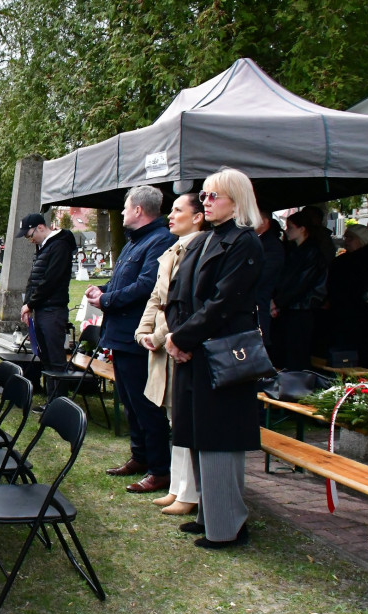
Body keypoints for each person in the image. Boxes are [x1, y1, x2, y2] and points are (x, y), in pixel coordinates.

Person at [165, 167, 263, 549]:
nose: (205, 201)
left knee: (220, 437)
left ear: (236, 201)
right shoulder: (207, 238)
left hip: (221, 352)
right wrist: (177, 336)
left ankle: (227, 527)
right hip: (196, 351)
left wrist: (182, 337)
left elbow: (224, 301)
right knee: (199, 434)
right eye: (203, 195)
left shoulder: (245, 242)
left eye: (213, 196)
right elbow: (181, 293)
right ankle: (212, 515)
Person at [86, 185, 176, 493]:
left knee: (145, 404)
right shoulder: (135, 241)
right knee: (129, 401)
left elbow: (146, 286)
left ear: (138, 210)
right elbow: (121, 279)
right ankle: (140, 456)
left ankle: (160, 469)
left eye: (126, 207)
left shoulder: (160, 240)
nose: (122, 212)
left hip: (139, 336)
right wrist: (103, 291)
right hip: (121, 334)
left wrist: (107, 301)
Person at [135, 193, 205, 516]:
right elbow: (155, 298)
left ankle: (189, 492)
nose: (170, 215)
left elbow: (183, 303)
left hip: (179, 344)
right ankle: (177, 487)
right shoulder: (171, 251)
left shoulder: (200, 249)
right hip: (162, 345)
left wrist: (160, 335)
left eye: (179, 210)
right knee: (170, 417)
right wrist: (142, 331)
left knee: (184, 421)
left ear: (198, 217)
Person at [18, 213, 77, 402]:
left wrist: (30, 303)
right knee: (46, 358)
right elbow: (33, 279)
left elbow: (50, 281)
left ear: (40, 227)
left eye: (29, 235)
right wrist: (27, 305)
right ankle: (51, 400)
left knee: (56, 359)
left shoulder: (60, 246)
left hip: (53, 310)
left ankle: (59, 402)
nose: (30, 240)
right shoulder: (44, 247)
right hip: (42, 309)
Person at [270, 210, 328, 371]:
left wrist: (278, 301)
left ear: (302, 229)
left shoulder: (312, 252)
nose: (287, 231)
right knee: (285, 350)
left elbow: (300, 284)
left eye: (290, 227)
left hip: (302, 308)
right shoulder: (292, 250)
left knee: (297, 352)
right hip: (289, 307)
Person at [326, 224, 368, 365]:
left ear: (362, 239)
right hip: (340, 310)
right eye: (346, 237)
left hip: (361, 312)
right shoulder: (341, 260)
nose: (346, 241)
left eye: (350, 238)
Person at [254, 211, 285, 345]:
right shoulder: (258, 241)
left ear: (265, 222)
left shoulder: (271, 245)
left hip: (261, 300)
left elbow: (262, 276)